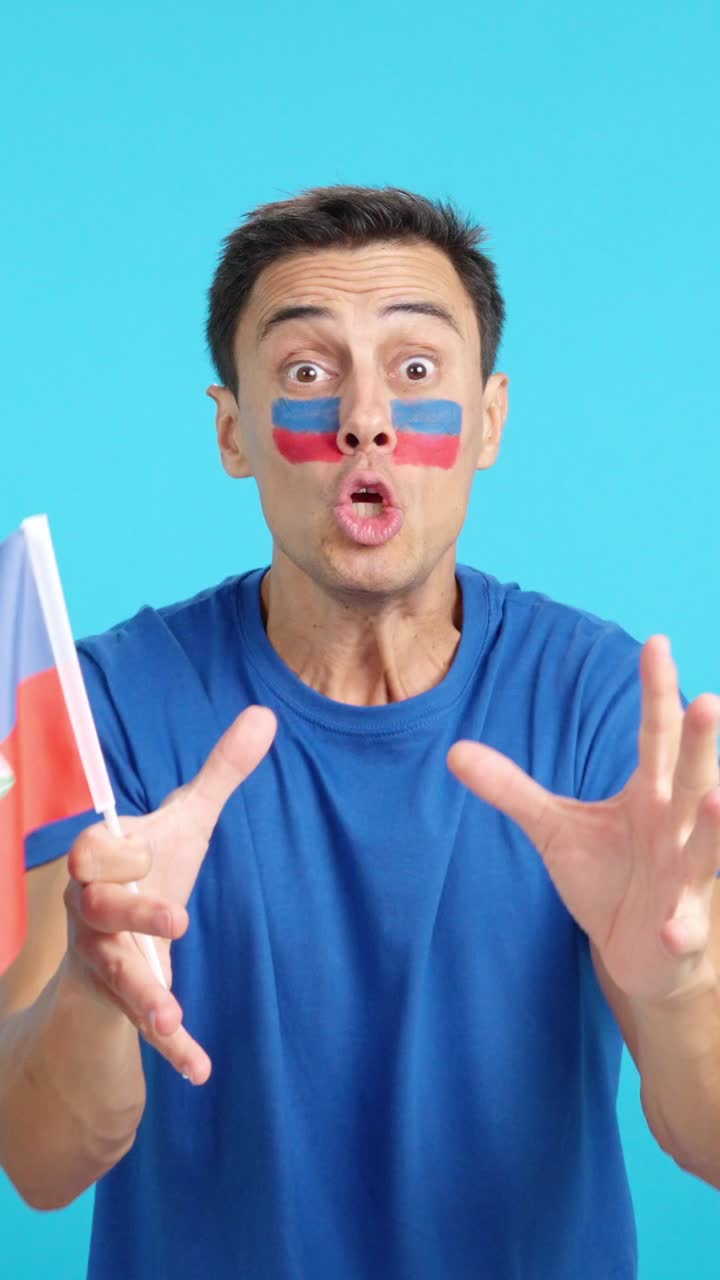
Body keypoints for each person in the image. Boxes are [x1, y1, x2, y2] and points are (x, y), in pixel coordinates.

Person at [1, 186, 719, 1279]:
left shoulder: (601, 701)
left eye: (418, 371)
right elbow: (39, 1160)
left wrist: (677, 994)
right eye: (305, 373)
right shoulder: (103, 705)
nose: (365, 417)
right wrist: (96, 995)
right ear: (235, 432)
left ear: (489, 421)